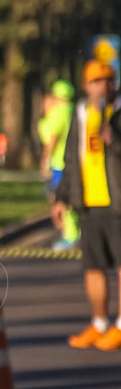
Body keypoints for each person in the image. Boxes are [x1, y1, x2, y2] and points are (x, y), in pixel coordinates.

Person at [53, 60, 121, 351]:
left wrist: (114, 139)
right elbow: (71, 158)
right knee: (93, 267)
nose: (101, 86)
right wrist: (61, 197)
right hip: (89, 203)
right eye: (95, 81)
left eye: (106, 80)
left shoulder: (118, 112)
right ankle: (99, 323)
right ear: (85, 85)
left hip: (117, 202)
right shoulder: (80, 113)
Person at [38, 80, 79, 250]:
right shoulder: (74, 110)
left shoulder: (59, 113)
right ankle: (74, 232)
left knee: (61, 199)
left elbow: (52, 138)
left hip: (59, 162)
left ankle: (71, 235)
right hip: (73, 160)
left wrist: (45, 159)